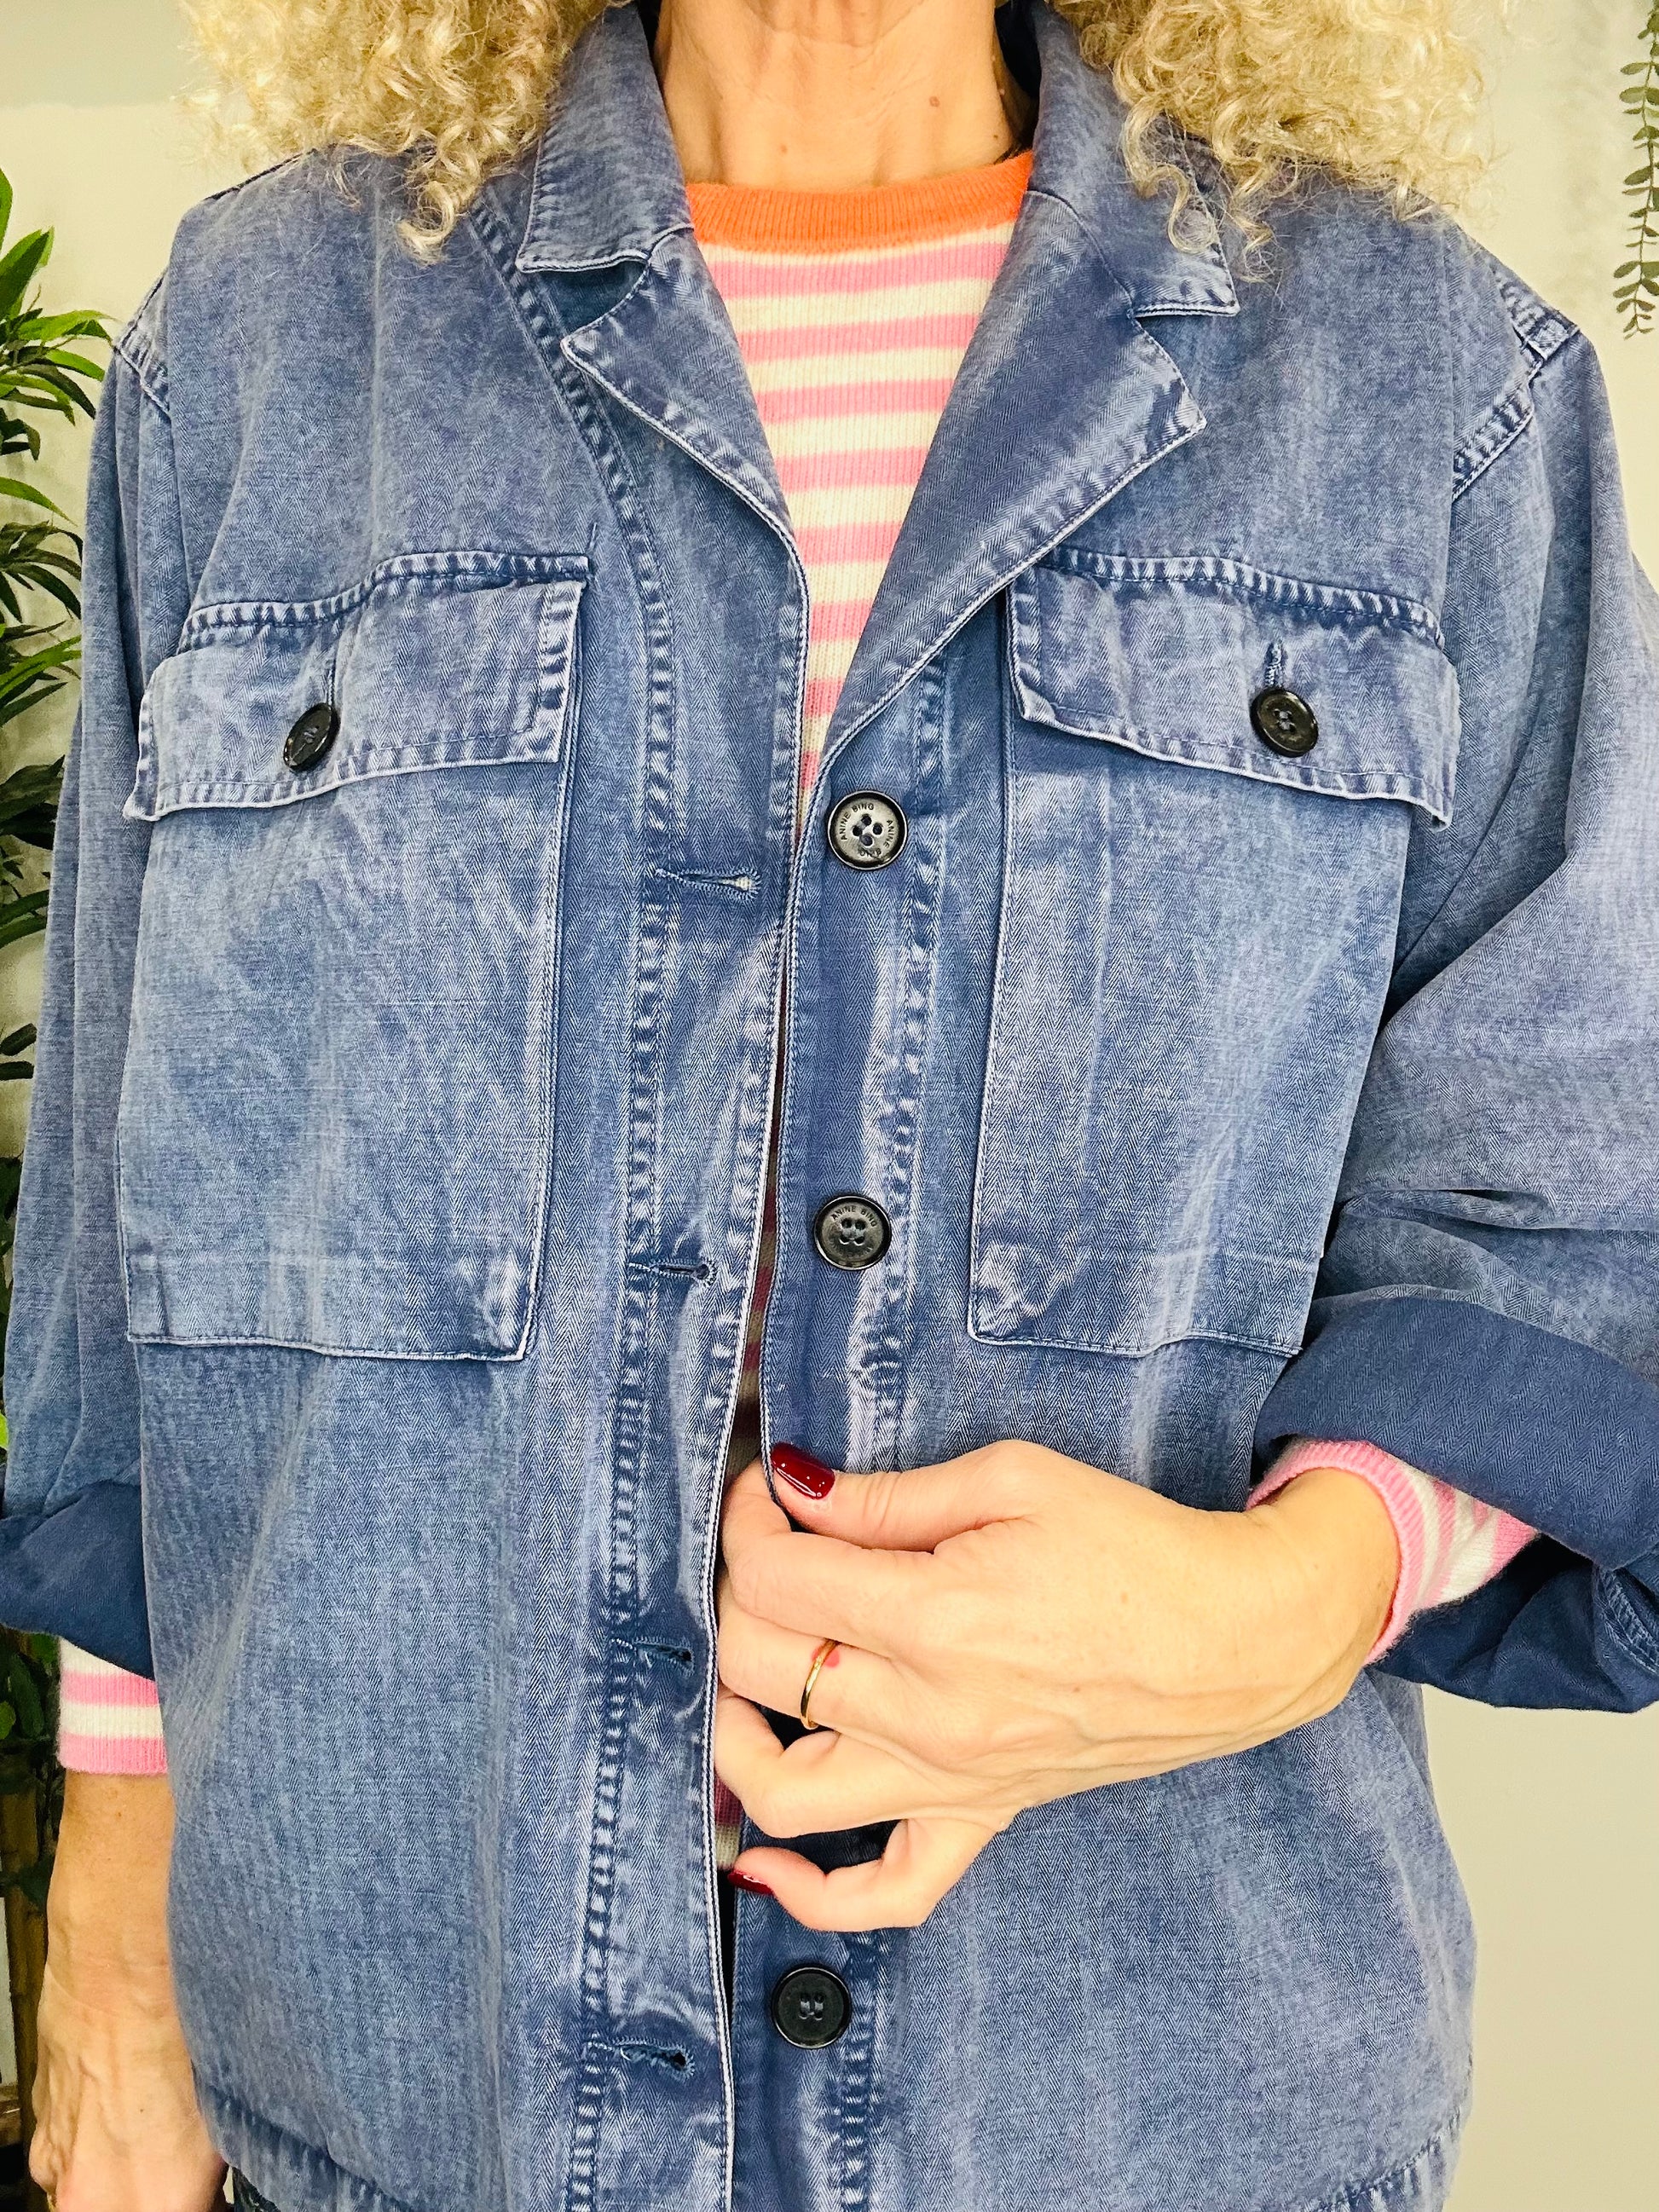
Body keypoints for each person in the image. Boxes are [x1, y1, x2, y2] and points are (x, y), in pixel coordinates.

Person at [3, 0, 1657, 2205]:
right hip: (414, 2107)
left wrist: (1276, 1603)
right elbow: (143, 1243)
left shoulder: (1432, 387)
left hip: (1147, 2116)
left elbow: (1567, 1192)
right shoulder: (260, 349)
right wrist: (116, 1973)